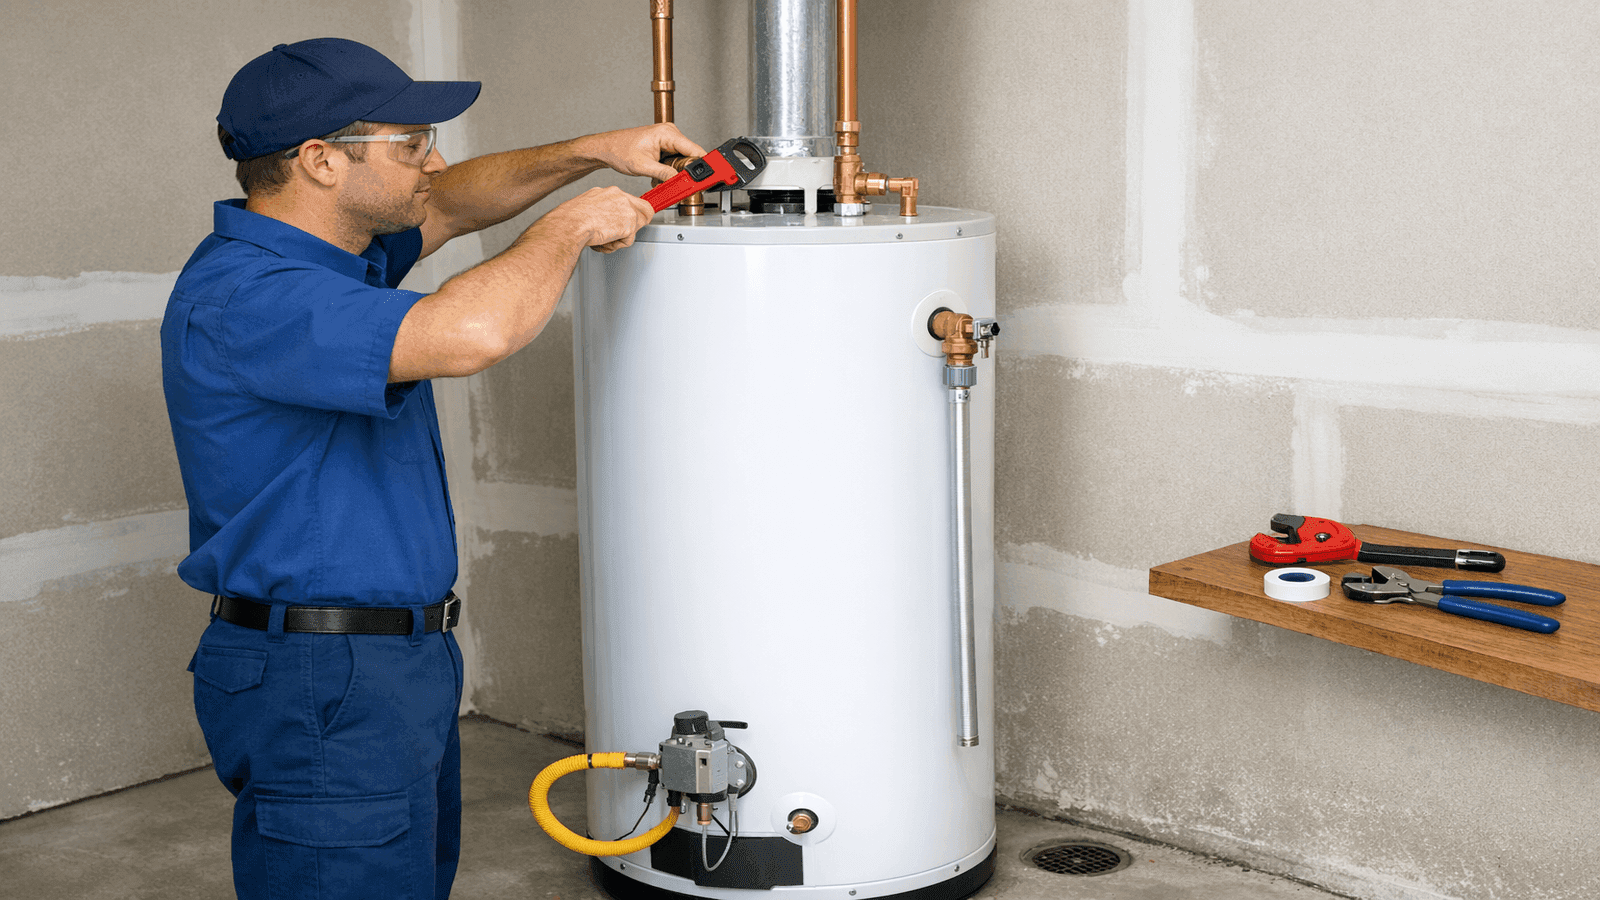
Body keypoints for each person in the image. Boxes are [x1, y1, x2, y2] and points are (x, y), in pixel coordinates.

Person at [160, 37, 702, 900]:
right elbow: (470, 334)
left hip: (388, 663)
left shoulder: (329, 258)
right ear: (320, 160)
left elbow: (449, 205)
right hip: (321, 679)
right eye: (411, 143)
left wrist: (591, 151)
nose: (435, 161)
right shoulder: (251, 298)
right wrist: (567, 226)